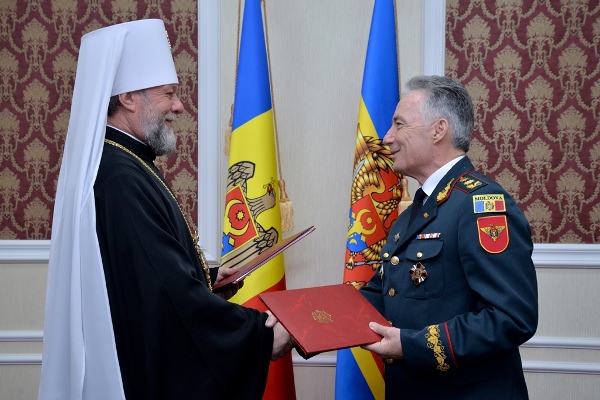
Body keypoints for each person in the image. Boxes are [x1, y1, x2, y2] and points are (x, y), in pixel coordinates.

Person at [39, 19, 292, 400]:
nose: (179, 106)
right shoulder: (120, 178)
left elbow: (141, 270)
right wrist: (260, 334)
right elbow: (166, 296)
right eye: (168, 94)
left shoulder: (124, 161)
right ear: (128, 98)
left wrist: (207, 276)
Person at [360, 75, 538, 399]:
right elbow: (379, 294)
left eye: (399, 124)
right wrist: (302, 323)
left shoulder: (480, 205)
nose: (387, 138)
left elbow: (512, 317)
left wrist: (412, 346)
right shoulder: (410, 216)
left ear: (438, 130)